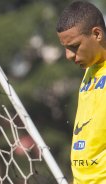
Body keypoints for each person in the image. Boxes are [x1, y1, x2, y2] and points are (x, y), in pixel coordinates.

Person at [56, 1, 106, 183]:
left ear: (97, 34)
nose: (69, 56)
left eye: (75, 47)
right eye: (66, 48)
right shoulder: (91, 69)